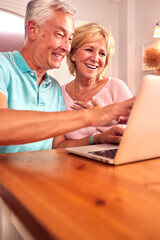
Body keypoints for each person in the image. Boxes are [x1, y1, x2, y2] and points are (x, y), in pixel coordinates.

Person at [0, 0, 134, 153]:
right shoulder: (3, 66)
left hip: (45, 173)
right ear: (33, 29)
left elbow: (57, 145)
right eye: (60, 34)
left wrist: (96, 138)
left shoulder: (54, 88)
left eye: (70, 39)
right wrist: (92, 116)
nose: (65, 47)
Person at [53, 23, 133, 148]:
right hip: (70, 164)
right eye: (89, 49)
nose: (95, 58)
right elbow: (59, 145)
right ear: (73, 54)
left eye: (102, 53)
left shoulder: (116, 87)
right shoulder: (58, 93)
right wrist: (95, 138)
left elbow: (137, 133)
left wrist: (102, 120)